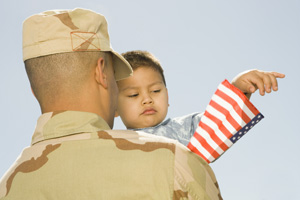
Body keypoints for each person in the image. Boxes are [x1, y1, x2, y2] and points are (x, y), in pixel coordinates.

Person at [0, 8, 223, 200]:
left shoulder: (6, 187)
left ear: (34, 90)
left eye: (154, 90)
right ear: (101, 72)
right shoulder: (174, 164)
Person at [116, 50, 285, 163]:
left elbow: (216, 122)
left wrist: (238, 88)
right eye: (133, 94)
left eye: (155, 90)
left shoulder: (183, 129)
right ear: (114, 108)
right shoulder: (110, 142)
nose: (147, 99)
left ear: (167, 96)